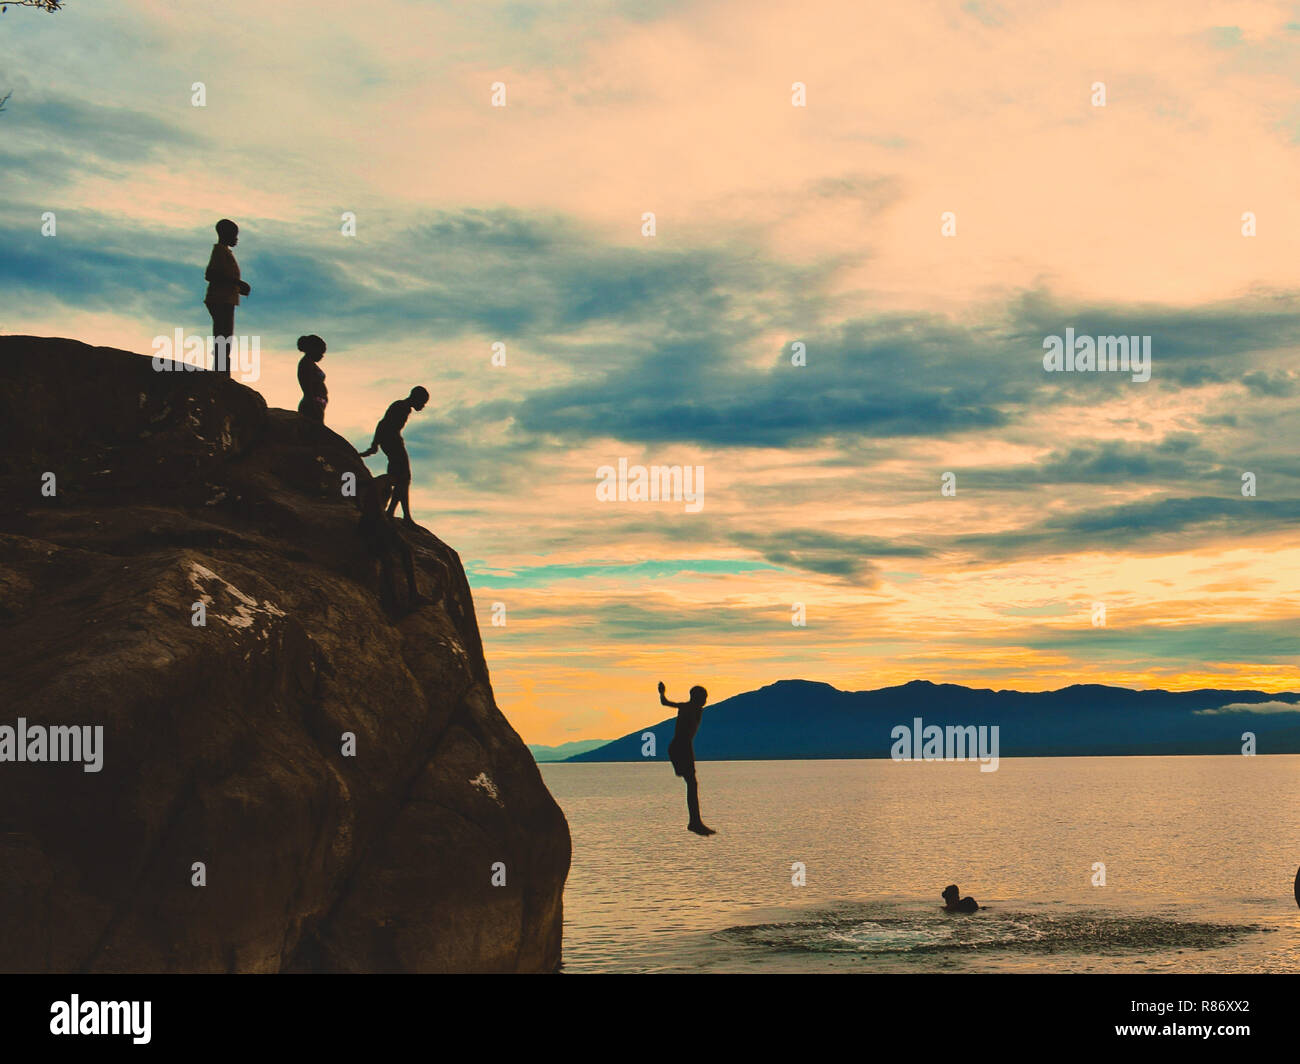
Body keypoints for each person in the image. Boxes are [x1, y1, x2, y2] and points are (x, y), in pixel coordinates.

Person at [359, 386, 428, 525]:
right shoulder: (401, 406)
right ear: (417, 398)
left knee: (401, 479)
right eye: (423, 402)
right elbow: (383, 424)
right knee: (402, 478)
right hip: (393, 443)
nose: (423, 406)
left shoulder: (404, 407)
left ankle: (398, 513)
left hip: (391, 442)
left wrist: (376, 444)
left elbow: (383, 424)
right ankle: (397, 513)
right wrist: (375, 444)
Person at [357, 473, 420, 612]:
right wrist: (385, 522)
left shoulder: (381, 482)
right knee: (396, 555)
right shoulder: (383, 483)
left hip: (372, 522)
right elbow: (374, 503)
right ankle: (402, 600)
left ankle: (404, 598)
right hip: (375, 524)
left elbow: (362, 488)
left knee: (392, 558)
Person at [659, 681, 715, 836]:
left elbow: (665, 702)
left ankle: (695, 821)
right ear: (696, 698)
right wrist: (662, 693)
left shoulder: (691, 708)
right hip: (680, 747)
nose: (705, 701)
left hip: (682, 747)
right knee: (692, 783)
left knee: (692, 783)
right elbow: (666, 703)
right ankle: (694, 822)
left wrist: (662, 693)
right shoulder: (690, 708)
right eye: (703, 697)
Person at [203, 219, 250, 375]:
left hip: (226, 299)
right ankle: (221, 373)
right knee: (223, 338)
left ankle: (222, 371)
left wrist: (236, 286)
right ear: (226, 234)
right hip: (220, 300)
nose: (236, 239)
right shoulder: (219, 251)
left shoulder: (225, 252)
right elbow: (210, 274)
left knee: (224, 338)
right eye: (234, 235)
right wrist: (237, 283)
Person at [296, 335, 328, 427]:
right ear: (313, 349)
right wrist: (313, 405)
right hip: (312, 405)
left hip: (316, 404)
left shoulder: (310, 363)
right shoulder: (306, 364)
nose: (322, 356)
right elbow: (307, 386)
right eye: (321, 352)